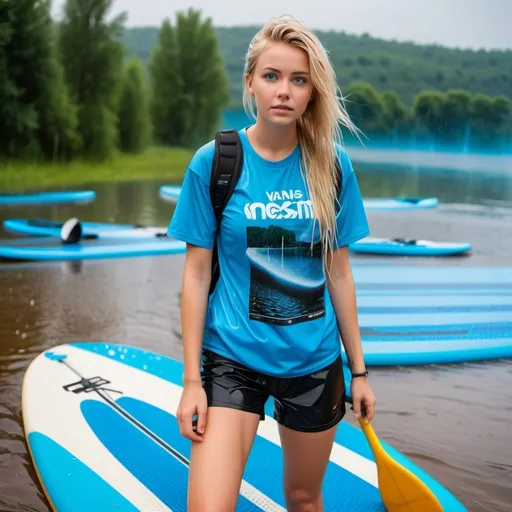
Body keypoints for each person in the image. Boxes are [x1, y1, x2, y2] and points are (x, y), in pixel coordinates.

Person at [168, 15, 376, 512]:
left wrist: (360, 371)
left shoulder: (330, 165)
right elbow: (196, 277)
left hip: (313, 365)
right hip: (232, 360)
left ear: (312, 92)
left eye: (298, 80)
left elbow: (339, 273)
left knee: (304, 498)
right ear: (251, 84)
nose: (284, 90)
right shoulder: (214, 162)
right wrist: (191, 383)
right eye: (272, 76)